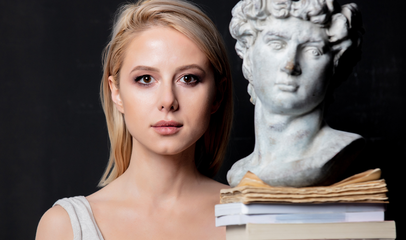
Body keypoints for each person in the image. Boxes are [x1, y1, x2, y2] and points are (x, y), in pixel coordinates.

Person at [35, 0, 233, 239]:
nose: (168, 101)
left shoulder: (258, 215)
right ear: (116, 93)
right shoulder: (65, 227)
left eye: (188, 78)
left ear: (218, 95)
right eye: (146, 79)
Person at [227, 0, 365, 188]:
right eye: (277, 44)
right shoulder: (239, 171)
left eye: (313, 51)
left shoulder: (335, 153)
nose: (290, 65)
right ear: (248, 55)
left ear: (335, 67)